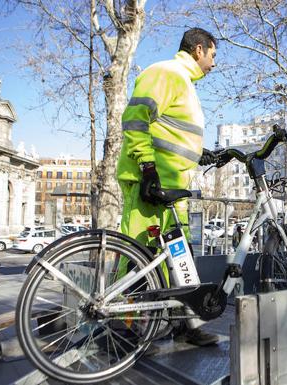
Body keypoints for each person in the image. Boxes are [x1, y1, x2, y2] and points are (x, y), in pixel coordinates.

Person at [116, 28, 219, 346]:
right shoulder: (167, 72)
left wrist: (205, 154)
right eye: (213, 56)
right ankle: (119, 328)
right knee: (138, 256)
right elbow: (135, 119)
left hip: (175, 191)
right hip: (153, 185)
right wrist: (148, 169)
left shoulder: (184, 84)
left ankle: (184, 326)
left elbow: (173, 133)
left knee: (180, 259)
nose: (214, 64)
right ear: (199, 50)